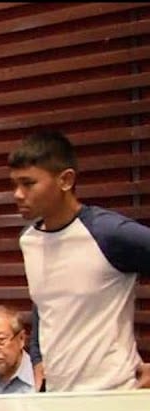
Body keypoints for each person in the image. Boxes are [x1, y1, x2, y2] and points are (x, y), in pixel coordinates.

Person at [10, 128, 150, 392]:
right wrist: (38, 358)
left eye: (28, 184)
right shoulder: (29, 240)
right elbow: (44, 304)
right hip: (57, 398)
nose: (17, 194)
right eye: (14, 184)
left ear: (65, 180)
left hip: (113, 395)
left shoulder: (108, 233)